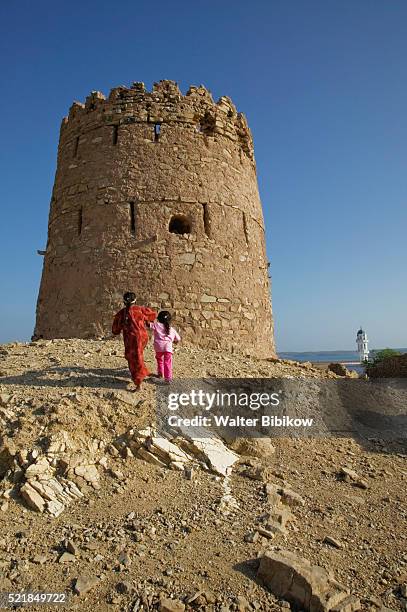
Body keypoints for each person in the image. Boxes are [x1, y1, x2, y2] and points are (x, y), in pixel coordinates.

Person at [112, 292, 157, 390]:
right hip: (143, 338)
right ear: (135, 300)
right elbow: (153, 315)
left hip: (131, 340)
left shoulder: (121, 314)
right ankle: (143, 372)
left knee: (133, 359)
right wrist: (145, 320)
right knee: (138, 355)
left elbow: (115, 330)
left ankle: (138, 381)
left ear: (123, 301)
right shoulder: (140, 309)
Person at [150, 311, 181, 383]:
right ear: (169, 320)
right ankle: (168, 379)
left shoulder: (156, 325)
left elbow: (148, 324)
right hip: (168, 348)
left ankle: (160, 374)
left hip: (158, 347)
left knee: (159, 360)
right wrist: (174, 341)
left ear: (158, 319)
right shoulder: (172, 329)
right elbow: (178, 339)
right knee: (167, 363)